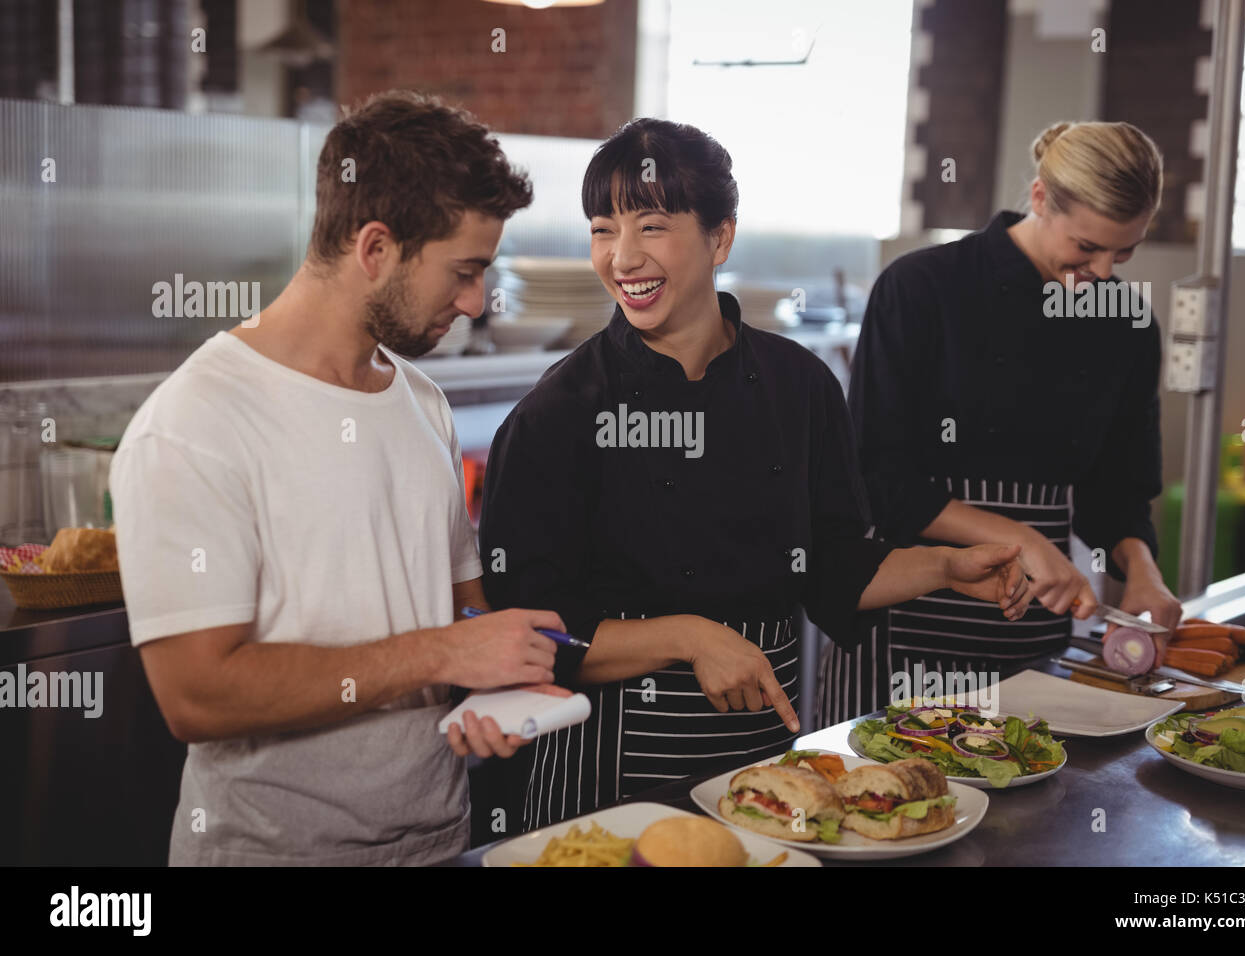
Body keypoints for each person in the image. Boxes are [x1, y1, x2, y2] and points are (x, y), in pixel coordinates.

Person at [478, 118, 1033, 832]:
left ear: (721, 238)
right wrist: (690, 636)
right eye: (601, 230)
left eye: (651, 226)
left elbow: (833, 566)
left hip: (763, 765)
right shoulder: (559, 411)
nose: (621, 258)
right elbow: (531, 630)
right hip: (608, 765)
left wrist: (944, 568)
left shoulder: (800, 386)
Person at [109, 90, 569, 866]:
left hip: (439, 839)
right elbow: (196, 695)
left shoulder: (421, 399)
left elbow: (459, 612)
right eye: (462, 271)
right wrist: (442, 657)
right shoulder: (194, 422)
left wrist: (501, 676)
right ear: (376, 248)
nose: (475, 301)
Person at [820, 120, 1182, 724]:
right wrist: (1027, 541)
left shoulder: (1128, 327)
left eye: (1122, 253)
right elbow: (879, 480)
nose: (1100, 270)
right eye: (1085, 246)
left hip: (1031, 644)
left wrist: (1142, 572)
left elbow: (1117, 490)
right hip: (904, 628)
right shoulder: (921, 289)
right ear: (1040, 198)